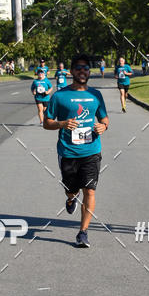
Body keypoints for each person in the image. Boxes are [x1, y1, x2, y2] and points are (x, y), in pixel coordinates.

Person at [44, 54, 109, 248]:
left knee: (90, 190)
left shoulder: (96, 95)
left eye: (85, 68)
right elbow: (47, 123)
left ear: (89, 72)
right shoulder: (59, 96)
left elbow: (104, 119)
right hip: (68, 152)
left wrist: (103, 126)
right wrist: (62, 124)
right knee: (71, 189)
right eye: (78, 68)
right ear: (71, 71)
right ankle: (71, 198)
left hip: (91, 150)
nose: (82, 71)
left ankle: (83, 232)